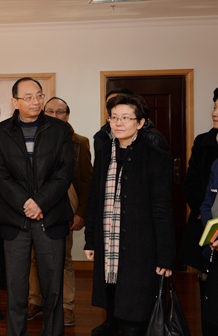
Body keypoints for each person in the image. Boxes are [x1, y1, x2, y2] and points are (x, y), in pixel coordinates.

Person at [84, 93, 175, 336]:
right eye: (114, 117)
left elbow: (162, 208)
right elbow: (95, 199)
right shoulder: (104, 152)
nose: (119, 123)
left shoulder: (154, 154)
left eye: (126, 118)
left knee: (135, 313)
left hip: (141, 246)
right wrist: (91, 239)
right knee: (113, 302)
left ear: (141, 122)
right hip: (109, 245)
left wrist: (165, 256)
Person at [0, 77, 74, 336]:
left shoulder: (60, 130)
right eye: (28, 97)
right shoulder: (0, 132)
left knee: (53, 290)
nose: (35, 101)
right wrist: (25, 203)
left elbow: (64, 173)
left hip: (51, 217)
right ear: (14, 101)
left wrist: (39, 202)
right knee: (16, 290)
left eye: (39, 95)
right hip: (15, 220)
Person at [28, 97, 93, 327]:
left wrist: (81, 213)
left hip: (66, 201)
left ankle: (66, 306)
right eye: (50, 111)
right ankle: (35, 301)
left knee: (63, 257)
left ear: (67, 115)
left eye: (60, 112)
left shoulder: (79, 142)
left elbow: (86, 180)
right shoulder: (32, 138)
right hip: (37, 202)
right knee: (33, 254)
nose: (55, 115)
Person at [182, 87, 218, 335]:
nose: (215, 113)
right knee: (209, 291)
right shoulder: (203, 142)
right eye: (214, 107)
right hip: (206, 223)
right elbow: (192, 181)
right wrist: (202, 212)